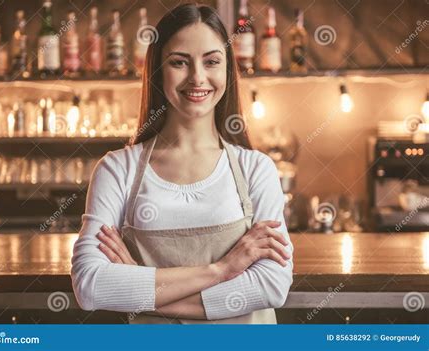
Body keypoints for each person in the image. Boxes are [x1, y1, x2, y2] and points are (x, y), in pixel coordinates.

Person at [71, 3, 293, 324]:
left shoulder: (256, 169)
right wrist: (222, 269)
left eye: (212, 61)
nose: (197, 78)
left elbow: (271, 286)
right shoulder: (118, 169)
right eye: (179, 62)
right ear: (158, 72)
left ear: (228, 70)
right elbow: (91, 286)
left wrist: (141, 284)